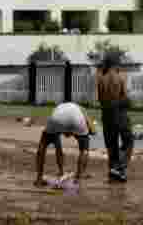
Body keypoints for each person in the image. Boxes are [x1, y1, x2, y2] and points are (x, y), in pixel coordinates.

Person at [34, 102, 96, 187]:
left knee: (43, 144)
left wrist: (68, 132)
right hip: (76, 120)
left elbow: (58, 145)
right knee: (84, 150)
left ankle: (39, 178)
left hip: (56, 119)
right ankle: (77, 180)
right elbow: (93, 130)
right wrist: (86, 135)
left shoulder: (62, 107)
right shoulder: (81, 109)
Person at [97, 54, 133, 182]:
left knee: (111, 144)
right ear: (116, 64)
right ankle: (120, 167)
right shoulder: (121, 76)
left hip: (106, 113)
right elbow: (125, 97)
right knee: (128, 141)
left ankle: (114, 170)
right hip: (119, 113)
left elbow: (100, 99)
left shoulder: (100, 77)